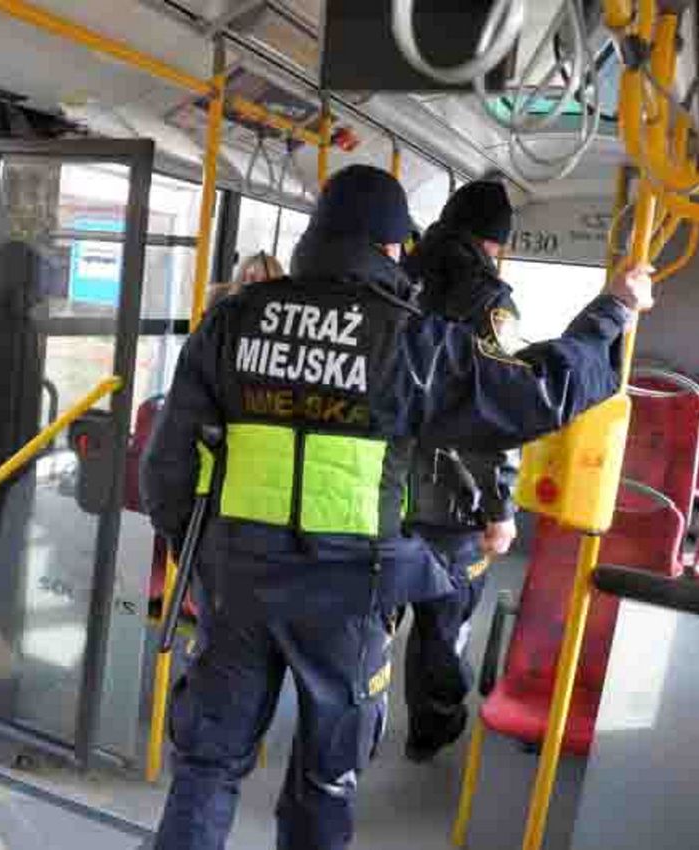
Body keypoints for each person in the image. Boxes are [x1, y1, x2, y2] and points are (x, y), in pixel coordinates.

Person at [141, 164, 652, 850]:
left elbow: (167, 469)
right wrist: (612, 312)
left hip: (238, 579)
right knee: (324, 781)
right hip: (348, 592)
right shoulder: (404, 338)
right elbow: (536, 396)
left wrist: (201, 560)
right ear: (389, 248)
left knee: (207, 768)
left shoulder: (232, 320)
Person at [401, 179, 522, 762]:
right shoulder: (492, 304)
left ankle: (348, 734)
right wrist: (500, 508)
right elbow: (500, 411)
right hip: (453, 502)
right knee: (441, 626)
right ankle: (432, 727)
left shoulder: (395, 281)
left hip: (372, 487)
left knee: (369, 613)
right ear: (493, 242)